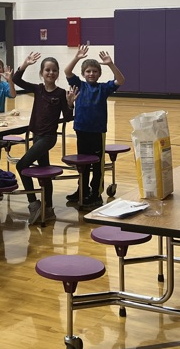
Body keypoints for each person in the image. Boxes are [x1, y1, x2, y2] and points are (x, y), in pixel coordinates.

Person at [13, 53, 76, 225]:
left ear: (58, 73)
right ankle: (48, 209)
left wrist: (70, 104)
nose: (51, 73)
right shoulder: (38, 89)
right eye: (47, 70)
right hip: (36, 135)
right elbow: (16, 80)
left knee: (21, 165)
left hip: (48, 138)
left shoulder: (62, 93)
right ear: (41, 72)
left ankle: (33, 204)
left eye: (54, 70)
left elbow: (68, 117)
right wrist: (24, 64)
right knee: (44, 171)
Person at [65, 44, 124, 209]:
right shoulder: (79, 85)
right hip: (81, 130)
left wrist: (111, 64)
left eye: (95, 71)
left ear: (99, 73)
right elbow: (67, 72)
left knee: (97, 164)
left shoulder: (103, 88)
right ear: (83, 74)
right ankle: (81, 189)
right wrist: (77, 57)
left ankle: (96, 193)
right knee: (82, 163)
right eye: (88, 71)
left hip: (97, 132)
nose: (91, 74)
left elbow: (120, 80)